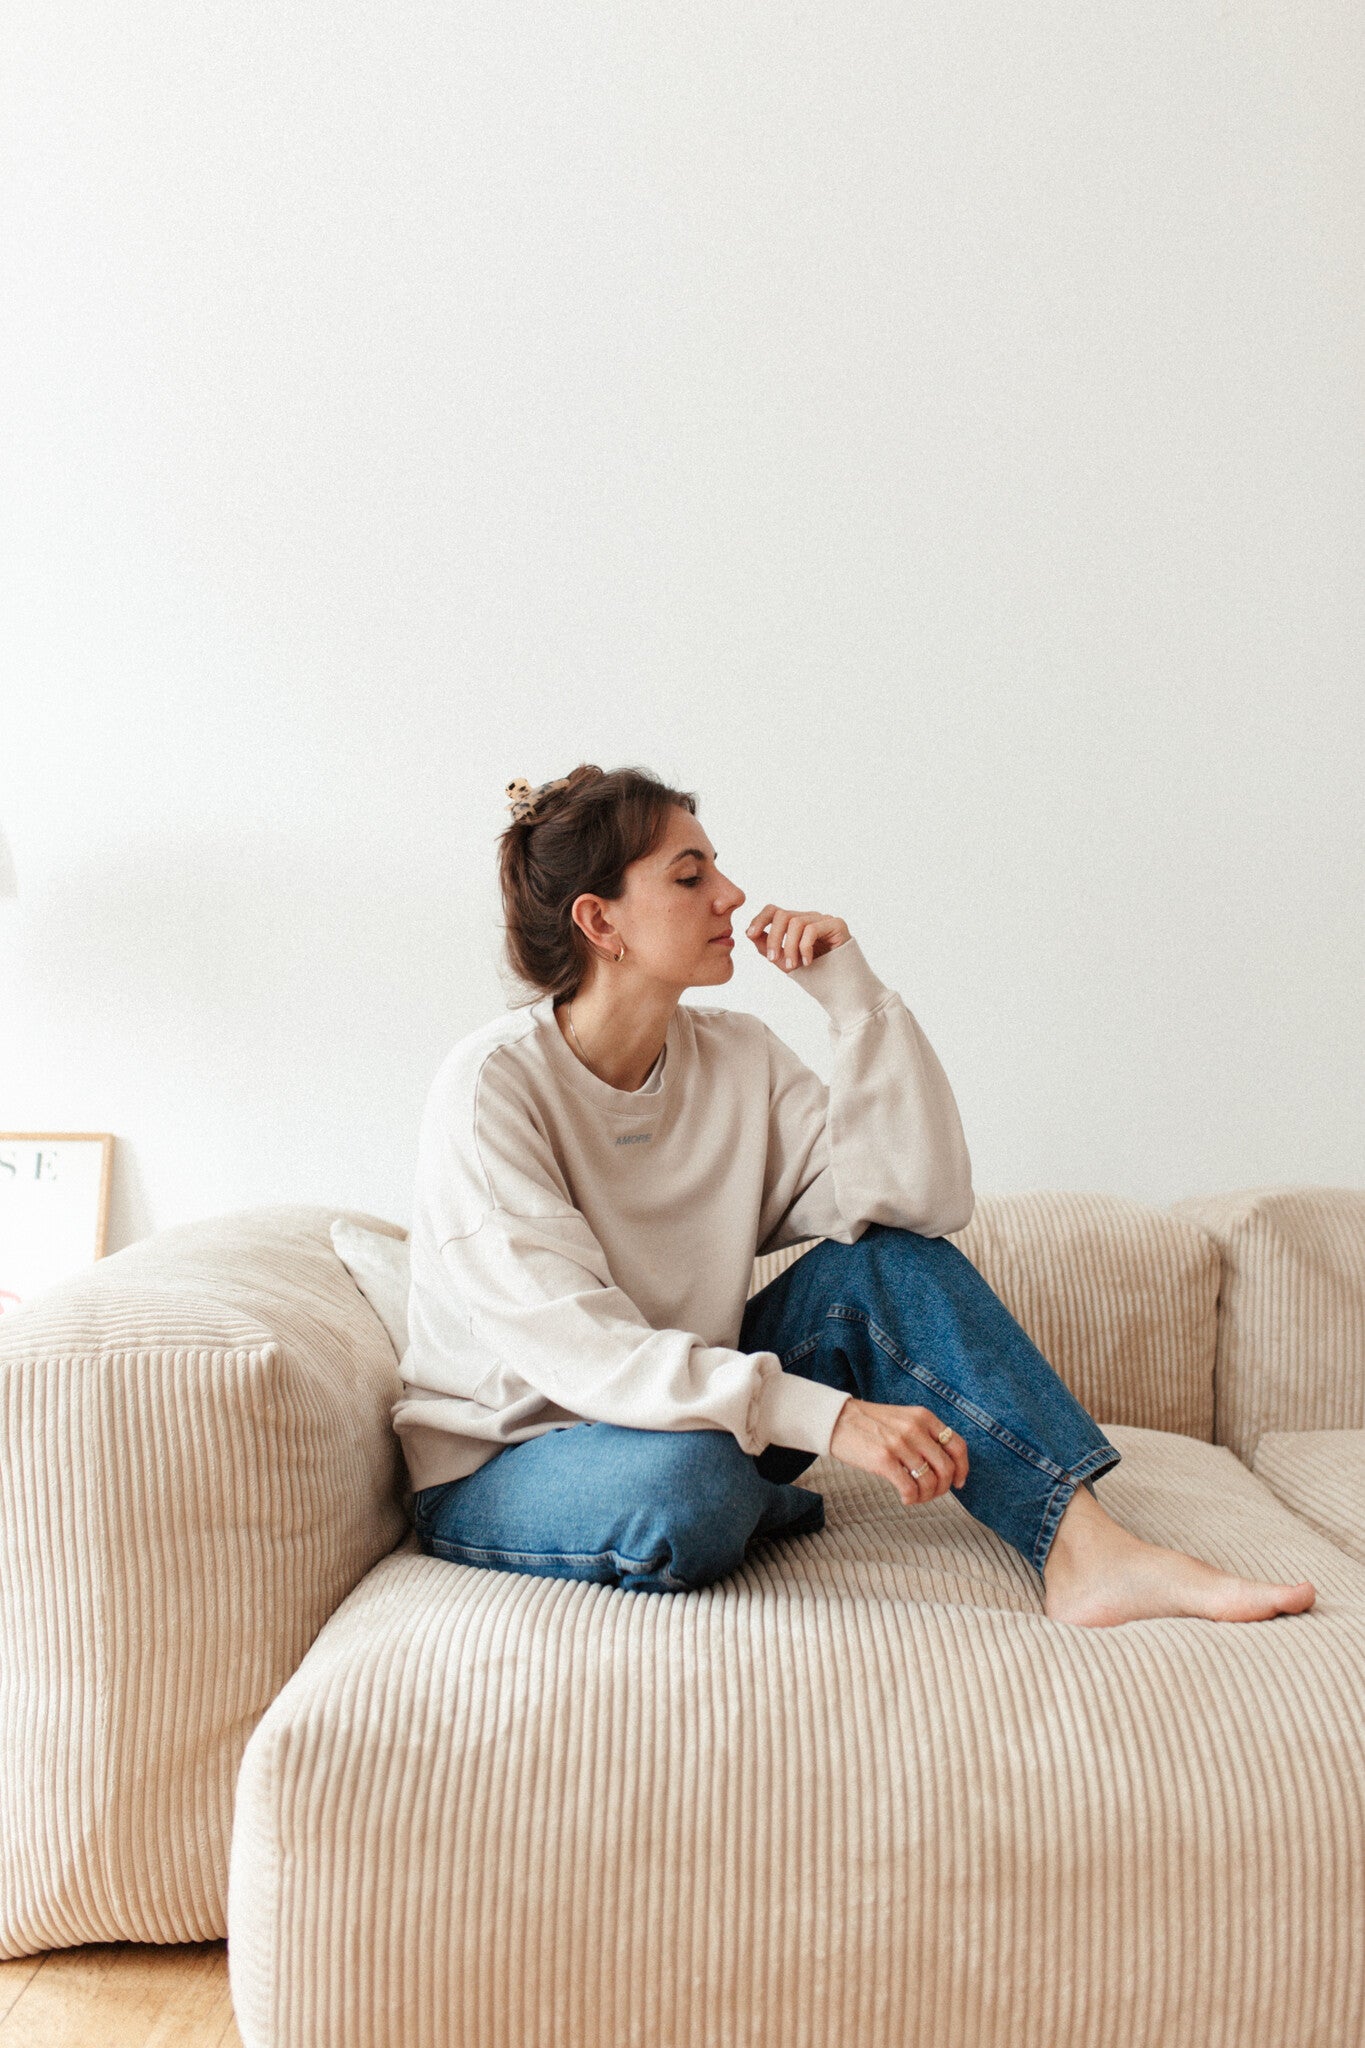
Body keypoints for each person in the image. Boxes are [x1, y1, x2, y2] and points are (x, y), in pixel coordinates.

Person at [394, 763, 1316, 1628]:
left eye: (716, 867)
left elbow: (917, 1201)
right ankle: (748, 1494)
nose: (731, 896)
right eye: (689, 877)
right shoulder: (492, 1088)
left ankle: (1088, 1550)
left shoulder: (737, 1057)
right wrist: (827, 1417)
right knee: (689, 1484)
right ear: (600, 922)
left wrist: (854, 1002)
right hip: (513, 1456)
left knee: (882, 1269)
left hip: (690, 1407)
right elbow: (580, 1353)